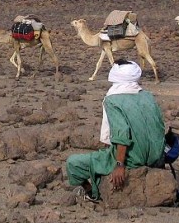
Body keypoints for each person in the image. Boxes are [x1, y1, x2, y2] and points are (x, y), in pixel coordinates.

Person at [66, 59, 166, 201]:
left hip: (133, 159)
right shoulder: (148, 96)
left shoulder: (112, 100)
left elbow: (122, 134)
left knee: (73, 163)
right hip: (157, 157)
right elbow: (160, 126)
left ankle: (91, 193)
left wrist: (120, 165)